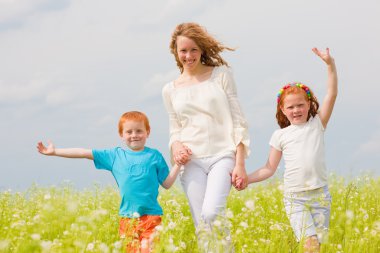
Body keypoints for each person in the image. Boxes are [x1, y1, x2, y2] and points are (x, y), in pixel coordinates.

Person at [37, 111, 180, 253]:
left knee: (147, 250)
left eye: (139, 131)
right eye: (129, 132)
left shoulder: (154, 156)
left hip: (152, 216)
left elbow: (167, 184)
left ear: (147, 132)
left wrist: (178, 164)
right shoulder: (115, 156)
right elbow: (84, 153)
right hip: (127, 218)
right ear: (121, 135)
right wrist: (56, 151)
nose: (134, 135)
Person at [162, 22, 250, 251]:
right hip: (191, 161)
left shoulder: (221, 75)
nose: (188, 55)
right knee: (201, 224)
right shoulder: (170, 89)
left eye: (193, 49)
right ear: (176, 52)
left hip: (223, 154)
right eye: (183, 50)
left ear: (201, 49)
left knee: (212, 212)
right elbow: (175, 128)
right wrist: (176, 146)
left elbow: (239, 120)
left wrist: (240, 163)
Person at [241, 48, 337, 253]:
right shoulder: (280, 135)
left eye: (300, 105)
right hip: (295, 198)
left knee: (319, 247)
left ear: (309, 104)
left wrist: (330, 65)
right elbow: (269, 168)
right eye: (291, 107)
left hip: (321, 197)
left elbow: (332, 93)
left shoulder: (317, 123)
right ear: (283, 110)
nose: (296, 110)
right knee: (309, 245)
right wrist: (247, 178)